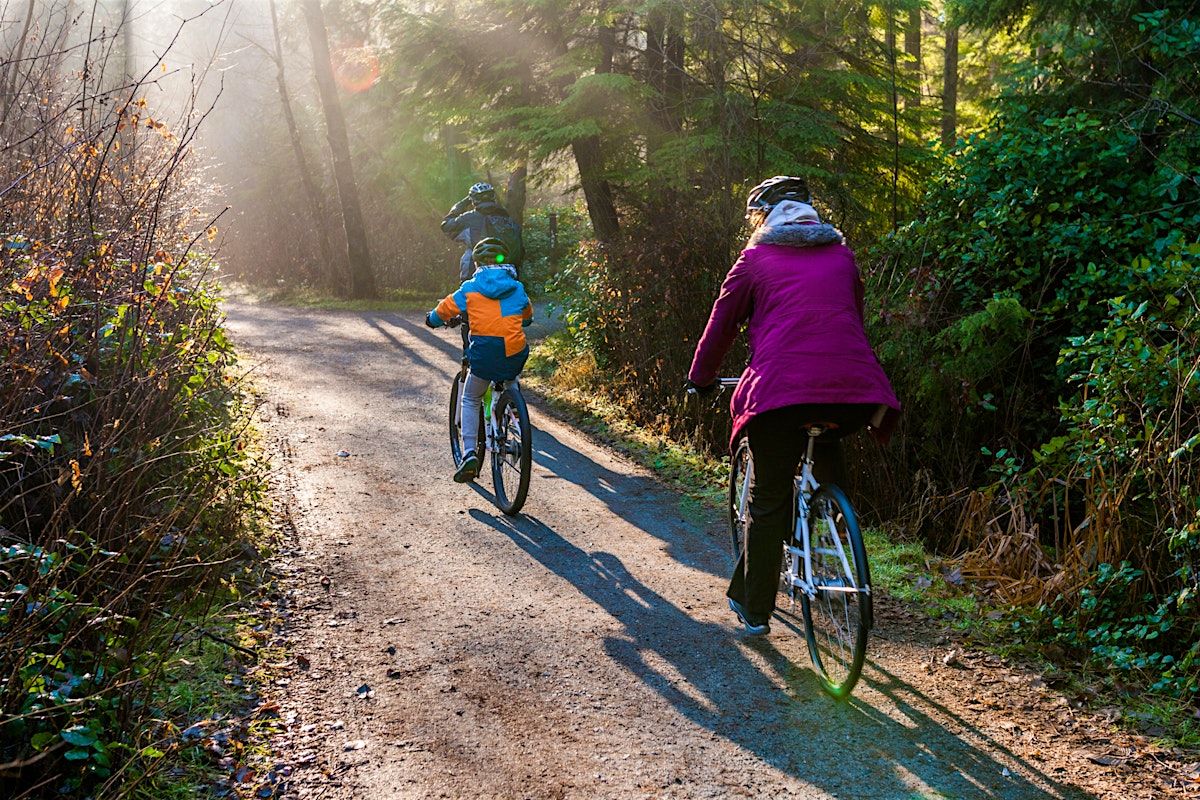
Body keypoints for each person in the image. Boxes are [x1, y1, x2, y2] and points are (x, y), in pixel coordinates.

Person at [687, 175, 901, 635]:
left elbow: (721, 326)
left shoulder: (755, 259)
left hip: (781, 393)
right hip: (852, 390)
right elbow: (849, 319)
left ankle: (755, 610)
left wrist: (701, 379)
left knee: (767, 500)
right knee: (824, 431)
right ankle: (835, 515)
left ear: (763, 218)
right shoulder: (843, 256)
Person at [425, 237, 533, 483]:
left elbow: (444, 310)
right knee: (509, 372)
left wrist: (431, 319)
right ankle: (512, 408)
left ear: (476, 264)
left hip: (485, 356)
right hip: (514, 354)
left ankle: (469, 454)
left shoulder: (470, 288)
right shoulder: (517, 288)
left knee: (471, 397)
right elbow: (527, 316)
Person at [441, 182, 525, 283]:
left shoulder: (468, 219)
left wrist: (464, 202)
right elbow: (521, 252)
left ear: (473, 201)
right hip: (506, 278)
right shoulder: (507, 220)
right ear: (494, 198)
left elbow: (446, 225)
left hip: (474, 277)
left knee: (470, 252)